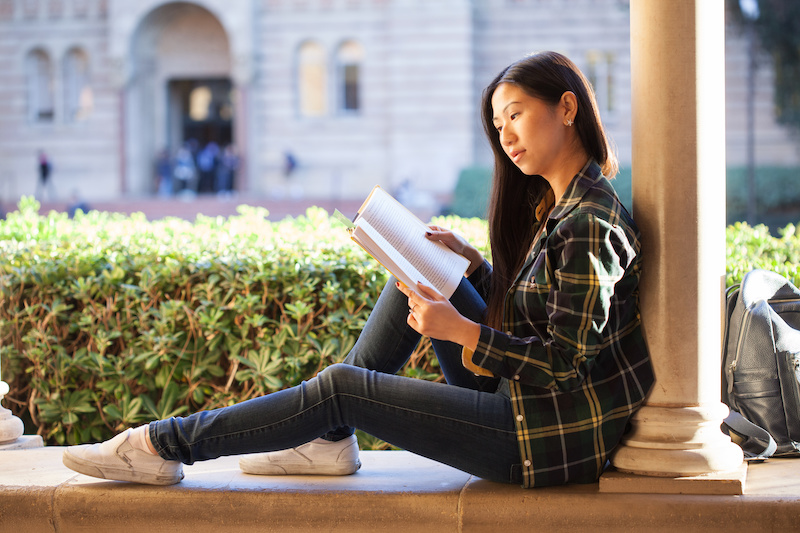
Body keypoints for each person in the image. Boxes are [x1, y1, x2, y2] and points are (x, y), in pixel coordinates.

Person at [62, 51, 654, 489]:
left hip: (542, 438)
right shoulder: (567, 206)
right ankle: (327, 442)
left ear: (567, 107)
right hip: (524, 404)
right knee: (419, 279)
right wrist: (477, 270)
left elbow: (564, 361)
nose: (506, 137)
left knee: (343, 387)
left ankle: (163, 444)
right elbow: (550, 314)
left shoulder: (588, 222)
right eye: (498, 126)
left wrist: (460, 330)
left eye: (516, 116)